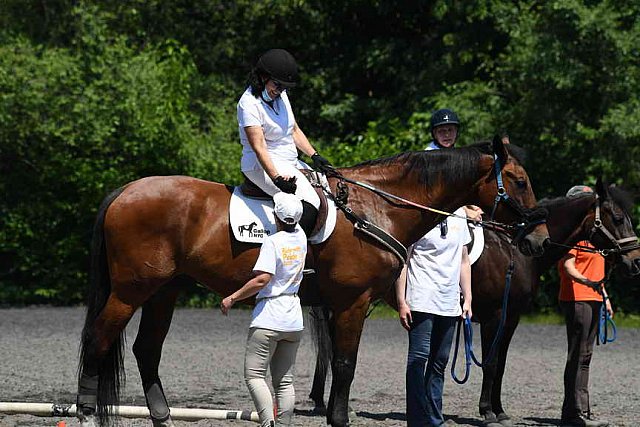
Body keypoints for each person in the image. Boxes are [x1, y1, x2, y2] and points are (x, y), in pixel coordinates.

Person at [220, 192, 307, 427]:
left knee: (255, 376)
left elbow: (262, 280)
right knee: (285, 381)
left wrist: (232, 297)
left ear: (276, 216)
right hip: (294, 319)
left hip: (269, 317)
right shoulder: (302, 237)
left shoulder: (272, 242)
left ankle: (268, 423)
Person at [237, 48, 333, 235]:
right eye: (277, 85)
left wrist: (315, 155)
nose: (280, 90)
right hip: (261, 166)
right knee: (308, 203)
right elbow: (260, 148)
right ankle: (290, 254)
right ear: (263, 77)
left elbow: (293, 130)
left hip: (289, 161)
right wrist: (277, 179)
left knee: (328, 190)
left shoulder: (281, 96)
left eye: (284, 87)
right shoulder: (248, 104)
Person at [395, 205, 472, 427]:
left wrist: (467, 298)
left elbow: (463, 260)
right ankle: (418, 421)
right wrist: (402, 300)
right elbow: (405, 260)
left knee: (439, 363)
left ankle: (434, 419)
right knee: (418, 360)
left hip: (449, 302)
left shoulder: (460, 216)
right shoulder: (420, 214)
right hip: (421, 298)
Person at [558, 185, 613, 427]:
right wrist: (588, 283)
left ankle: (583, 410)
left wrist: (604, 295)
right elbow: (569, 267)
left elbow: (598, 270)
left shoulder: (594, 234)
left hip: (593, 296)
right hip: (577, 296)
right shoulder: (572, 235)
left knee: (586, 356)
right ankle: (572, 413)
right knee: (577, 354)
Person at [427, 108, 483, 222]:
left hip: (455, 206)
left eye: (450, 130)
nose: (447, 134)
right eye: (442, 131)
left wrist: (473, 205)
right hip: (435, 211)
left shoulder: (456, 154)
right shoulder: (430, 156)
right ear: (434, 134)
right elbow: (441, 193)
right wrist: (466, 211)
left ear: (457, 132)